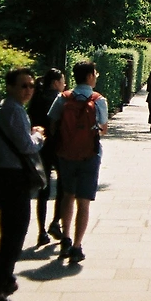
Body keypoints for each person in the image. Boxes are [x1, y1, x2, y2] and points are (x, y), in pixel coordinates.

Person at [0, 67, 44, 301]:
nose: (28, 90)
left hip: (4, 174)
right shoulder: (12, 110)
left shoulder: (10, 108)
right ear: (10, 87)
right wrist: (38, 136)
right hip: (11, 176)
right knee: (14, 233)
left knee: (12, 231)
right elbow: (27, 146)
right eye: (23, 86)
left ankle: (4, 280)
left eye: (31, 86)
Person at [47, 60, 108, 263]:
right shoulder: (98, 100)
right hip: (90, 155)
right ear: (90, 76)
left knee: (67, 195)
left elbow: (52, 122)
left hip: (66, 154)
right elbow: (103, 128)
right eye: (95, 73)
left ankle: (65, 238)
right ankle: (77, 245)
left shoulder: (63, 98)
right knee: (84, 202)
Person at [29, 68, 66, 248]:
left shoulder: (36, 97)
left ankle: (41, 231)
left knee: (43, 190)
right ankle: (56, 222)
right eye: (63, 81)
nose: (64, 84)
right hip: (58, 146)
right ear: (55, 82)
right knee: (62, 186)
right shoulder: (59, 99)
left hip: (41, 146)